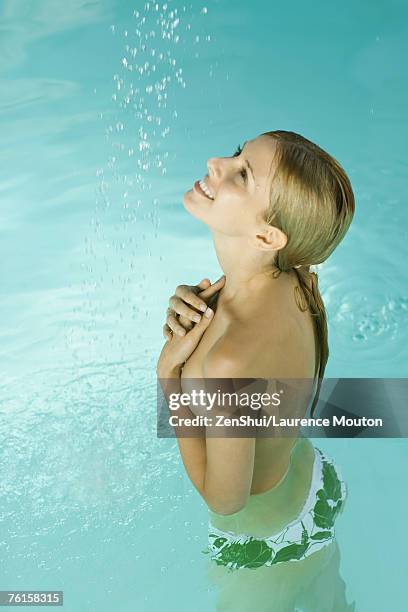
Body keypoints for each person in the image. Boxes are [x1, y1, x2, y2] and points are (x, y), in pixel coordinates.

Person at [156, 130, 356, 610]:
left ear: (268, 236)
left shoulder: (230, 363)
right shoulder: (299, 279)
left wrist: (170, 379)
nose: (215, 162)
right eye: (236, 152)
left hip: (265, 549)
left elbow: (224, 501)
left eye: (242, 173)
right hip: (314, 487)